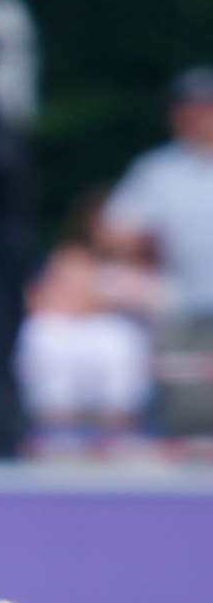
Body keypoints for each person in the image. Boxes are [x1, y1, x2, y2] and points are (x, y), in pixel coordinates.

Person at [100, 67, 213, 438]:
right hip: (183, 306)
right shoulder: (158, 171)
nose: (201, 116)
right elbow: (117, 231)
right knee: (190, 410)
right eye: (192, 108)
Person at [15, 188, 167, 458]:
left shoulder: (152, 262)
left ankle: (120, 433)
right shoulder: (70, 255)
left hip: (120, 340)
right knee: (46, 334)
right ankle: (56, 432)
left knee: (120, 340)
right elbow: (46, 299)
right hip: (68, 337)